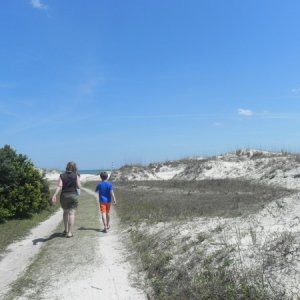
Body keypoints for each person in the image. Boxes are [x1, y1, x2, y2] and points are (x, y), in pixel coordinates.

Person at [52, 161, 81, 238]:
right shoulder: (76, 175)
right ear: (74, 167)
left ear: (67, 167)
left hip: (64, 196)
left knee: (65, 213)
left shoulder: (62, 175)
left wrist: (54, 195)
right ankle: (69, 233)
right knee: (71, 213)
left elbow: (59, 186)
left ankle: (65, 230)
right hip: (73, 195)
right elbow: (79, 186)